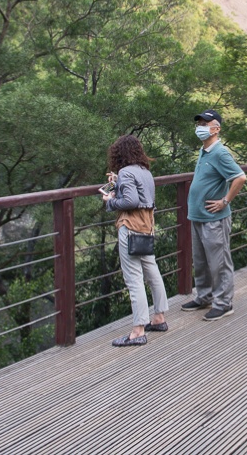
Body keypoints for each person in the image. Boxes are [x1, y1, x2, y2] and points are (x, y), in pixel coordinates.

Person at [181, 109, 247, 321]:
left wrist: (224, 201)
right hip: (198, 216)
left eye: (205, 123)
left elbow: (240, 177)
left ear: (216, 128)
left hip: (214, 219)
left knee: (219, 262)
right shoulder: (204, 150)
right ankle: (204, 296)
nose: (200, 126)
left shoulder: (220, 152)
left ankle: (224, 303)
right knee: (200, 261)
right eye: (199, 122)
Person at [103, 135, 168, 346]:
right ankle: (159, 318)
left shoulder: (125, 172)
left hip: (130, 226)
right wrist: (118, 183)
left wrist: (111, 201)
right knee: (151, 270)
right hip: (146, 226)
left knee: (133, 278)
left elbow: (131, 200)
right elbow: (139, 194)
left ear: (119, 154)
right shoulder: (145, 172)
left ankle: (138, 330)